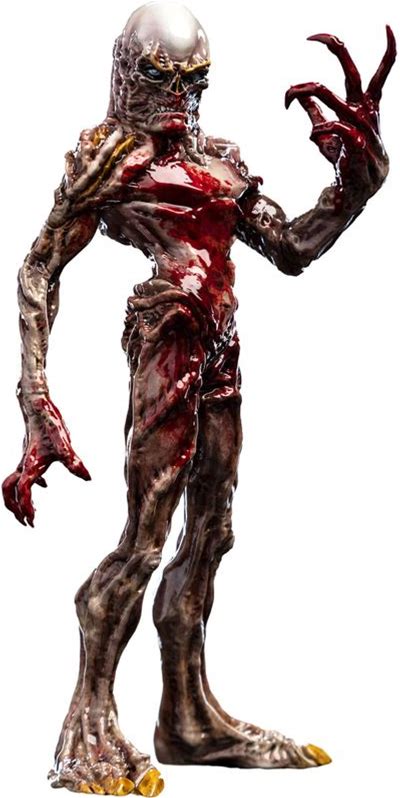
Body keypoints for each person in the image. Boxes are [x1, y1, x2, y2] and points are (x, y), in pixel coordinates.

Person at [2, 3, 395, 795]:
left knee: (211, 531)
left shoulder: (220, 161)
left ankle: (188, 720)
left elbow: (290, 246)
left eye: (193, 82)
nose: (179, 99)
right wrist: (37, 401)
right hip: (169, 336)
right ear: (128, 75)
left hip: (220, 343)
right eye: (162, 78)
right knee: (147, 537)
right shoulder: (108, 162)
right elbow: (38, 269)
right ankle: (87, 727)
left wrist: (354, 188)